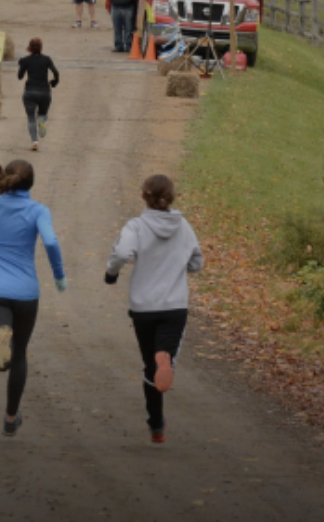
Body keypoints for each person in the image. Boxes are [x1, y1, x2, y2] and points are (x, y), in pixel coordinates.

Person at [0, 160, 66, 437]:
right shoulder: (37, 210)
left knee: (5, 346)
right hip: (25, 292)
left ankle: (1, 345)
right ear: (30, 184)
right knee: (20, 353)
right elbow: (52, 242)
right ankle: (11, 417)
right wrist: (59, 275)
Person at [105, 174, 204, 444]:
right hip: (174, 305)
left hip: (143, 306)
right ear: (171, 197)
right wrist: (180, 265)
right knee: (163, 358)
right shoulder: (183, 226)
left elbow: (122, 253)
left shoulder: (136, 226)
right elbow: (197, 262)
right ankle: (166, 359)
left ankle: (156, 423)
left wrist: (111, 273)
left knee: (149, 366)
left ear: (143, 197)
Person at [17, 38, 59, 151]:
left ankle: (34, 141)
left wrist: (21, 65)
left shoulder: (26, 60)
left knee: (31, 118)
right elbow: (56, 72)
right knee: (43, 113)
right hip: (45, 91)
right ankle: (42, 120)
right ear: (41, 47)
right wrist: (54, 82)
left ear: (29, 48)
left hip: (30, 91)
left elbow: (20, 77)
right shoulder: (47, 59)